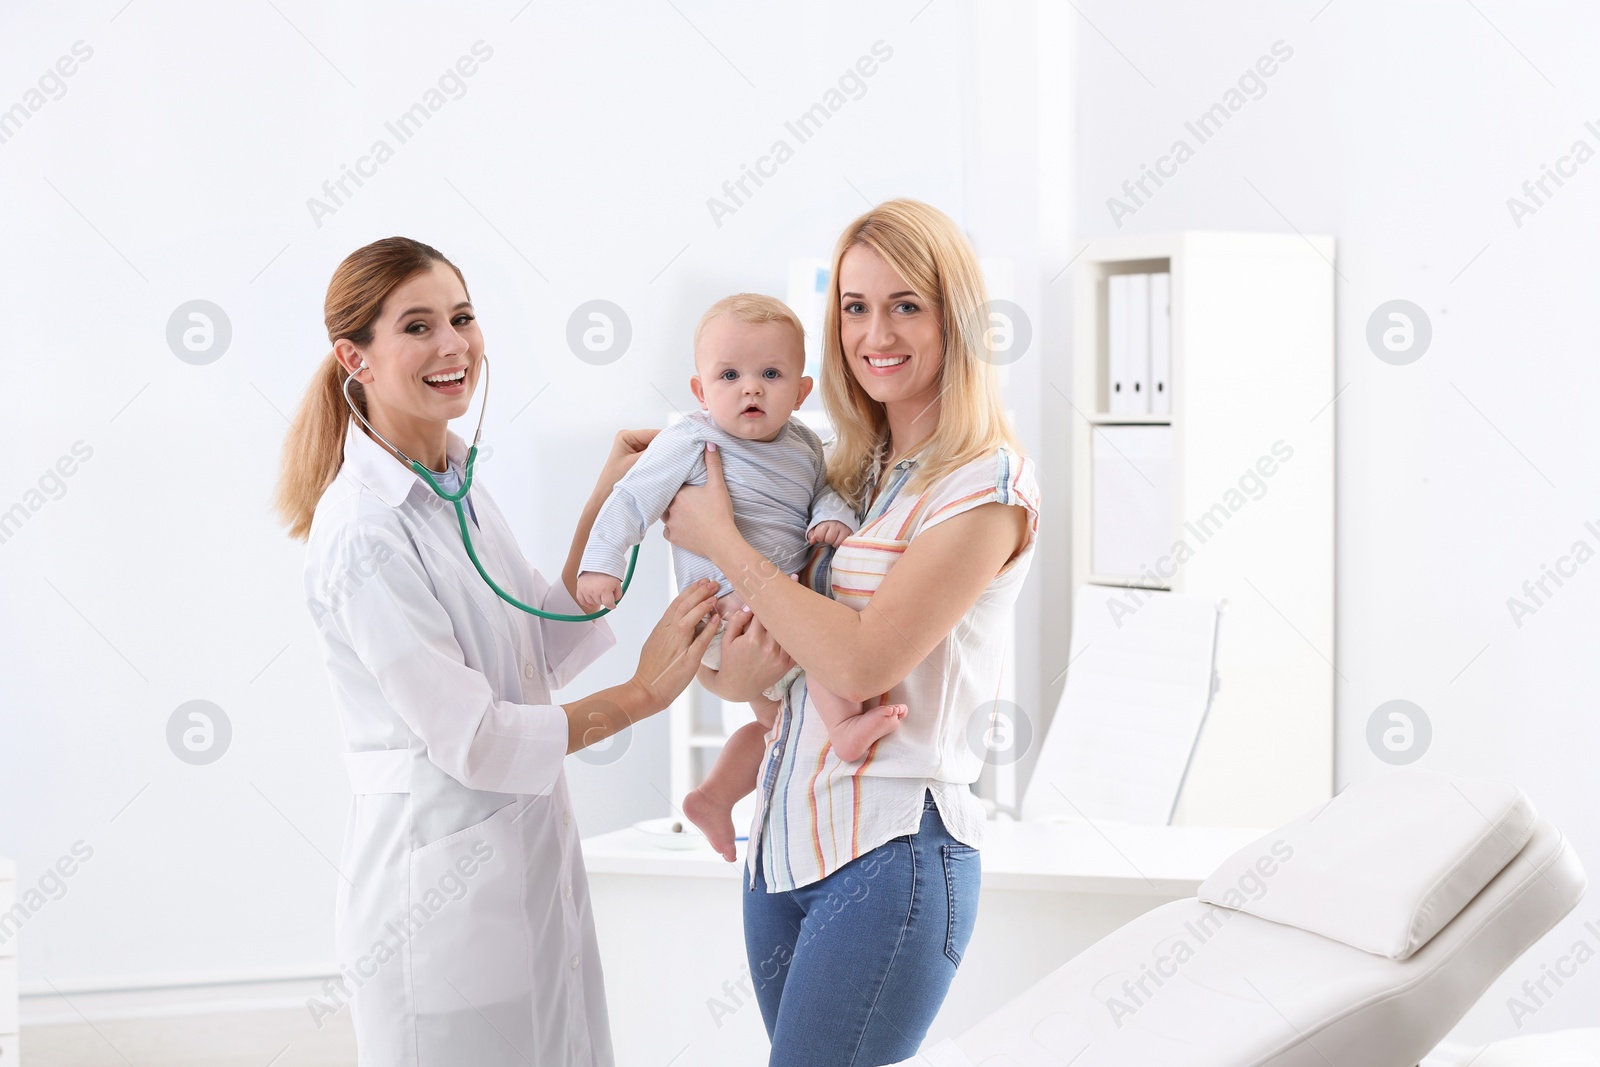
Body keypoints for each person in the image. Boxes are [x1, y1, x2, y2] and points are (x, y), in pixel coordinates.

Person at [273, 235, 720, 1067]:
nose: (453, 345)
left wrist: (608, 508)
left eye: (463, 317)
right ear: (355, 358)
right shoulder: (363, 533)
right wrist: (643, 696)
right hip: (437, 909)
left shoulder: (454, 481)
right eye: (417, 326)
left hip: (527, 875)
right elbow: (474, 737)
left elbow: (531, 642)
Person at [659, 199, 1041, 1066]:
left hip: (891, 857)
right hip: (780, 853)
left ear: (957, 319)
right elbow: (758, 671)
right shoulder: (840, 470)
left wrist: (720, 538)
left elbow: (867, 658)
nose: (877, 332)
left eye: (907, 304)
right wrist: (732, 665)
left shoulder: (986, 486)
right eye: (855, 306)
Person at [575, 293, 910, 860]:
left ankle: (713, 796)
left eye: (770, 374)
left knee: (779, 727)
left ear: (801, 392)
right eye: (729, 375)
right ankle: (846, 729)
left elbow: (824, 491)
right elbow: (631, 498)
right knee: (818, 655)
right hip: (720, 609)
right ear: (701, 392)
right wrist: (601, 563)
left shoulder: (805, 445)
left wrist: (831, 517)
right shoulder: (692, 440)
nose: (750, 388)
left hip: (776, 605)